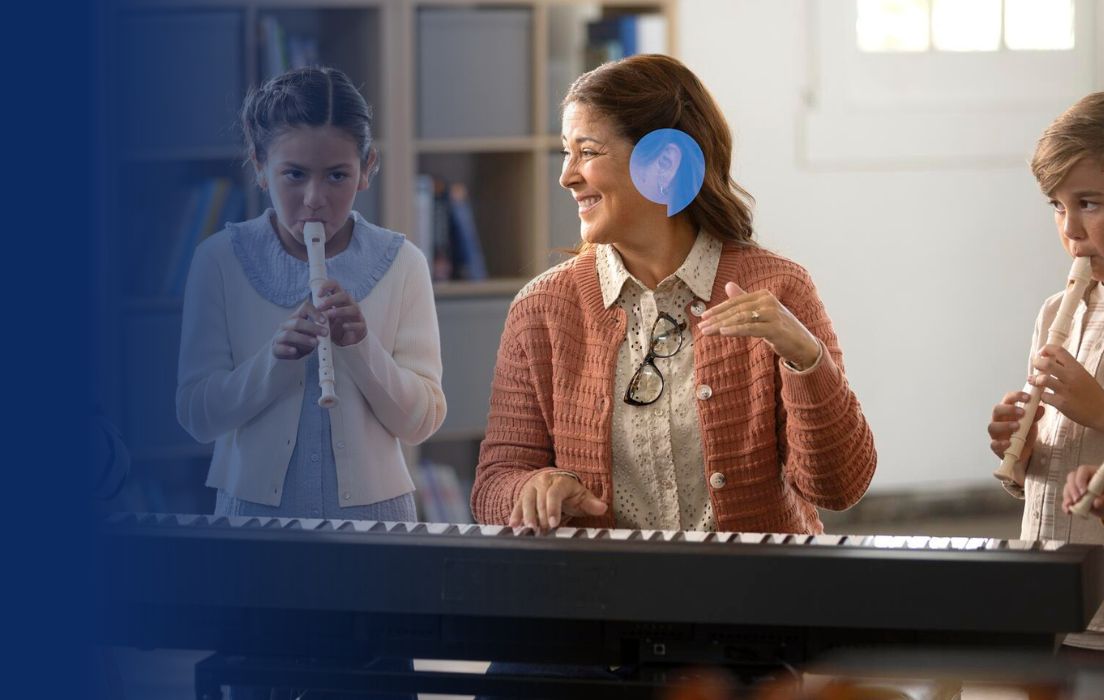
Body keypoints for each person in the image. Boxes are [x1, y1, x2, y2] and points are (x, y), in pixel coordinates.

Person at [471, 53, 876, 536]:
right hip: (602, 601)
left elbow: (840, 487)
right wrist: (533, 488)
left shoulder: (780, 288)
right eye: (566, 151)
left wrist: (805, 359)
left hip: (757, 600)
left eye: (589, 151)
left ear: (664, 162)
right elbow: (494, 486)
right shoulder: (541, 309)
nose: (567, 175)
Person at [175, 65, 445, 523]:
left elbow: (420, 423)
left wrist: (361, 346)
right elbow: (198, 418)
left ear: (367, 169)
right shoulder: (218, 260)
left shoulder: (404, 263)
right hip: (251, 520)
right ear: (260, 167)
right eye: (294, 174)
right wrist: (273, 362)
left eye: (337, 176)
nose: (315, 198)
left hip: (378, 522)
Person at [994, 91, 1104, 658]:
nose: (1071, 229)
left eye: (1089, 202)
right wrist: (1025, 451)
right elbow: (1043, 471)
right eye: (1057, 207)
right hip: (1044, 590)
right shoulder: (1052, 313)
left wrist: (1099, 410)